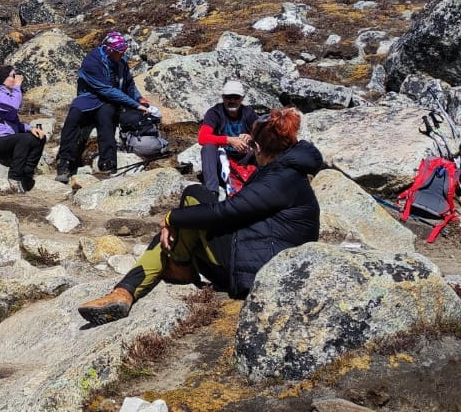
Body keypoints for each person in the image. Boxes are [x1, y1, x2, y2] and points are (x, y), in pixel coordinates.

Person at [78, 108, 322, 324]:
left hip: (256, 270)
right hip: (260, 254)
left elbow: (228, 211)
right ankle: (131, 289)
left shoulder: (280, 179)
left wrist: (172, 218)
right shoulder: (287, 171)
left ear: (257, 148)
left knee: (194, 196)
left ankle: (143, 283)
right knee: (182, 225)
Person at [54, 31, 151, 182]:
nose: (123, 54)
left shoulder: (121, 62)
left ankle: (108, 163)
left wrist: (139, 98)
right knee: (73, 119)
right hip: (89, 98)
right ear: (109, 50)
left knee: (106, 120)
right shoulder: (92, 62)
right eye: (120, 52)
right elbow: (106, 90)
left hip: (108, 102)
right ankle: (65, 163)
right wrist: (135, 105)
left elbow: (128, 83)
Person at [0, 65, 46, 192]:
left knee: (39, 137)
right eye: (13, 76)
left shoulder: (6, 95)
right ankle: (14, 176)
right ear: (4, 79)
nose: (15, 79)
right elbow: (14, 106)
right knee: (25, 139)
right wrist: (17, 86)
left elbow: (13, 123)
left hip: (8, 139)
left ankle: (26, 175)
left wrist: (29, 128)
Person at [198, 80, 260, 195]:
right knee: (208, 148)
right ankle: (212, 192)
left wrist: (252, 137)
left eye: (235, 97)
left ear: (242, 98)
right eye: (228, 97)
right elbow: (202, 138)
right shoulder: (214, 113)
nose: (232, 101)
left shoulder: (249, 113)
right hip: (223, 158)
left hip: (246, 157)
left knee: (263, 147)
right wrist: (229, 140)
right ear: (223, 97)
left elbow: (264, 135)